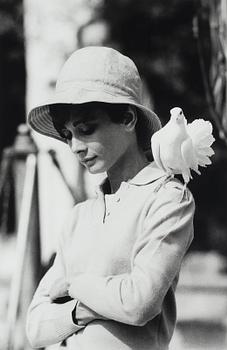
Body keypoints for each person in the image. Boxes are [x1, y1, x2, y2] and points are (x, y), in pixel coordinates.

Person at [26, 46, 195, 350]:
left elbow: (139, 303)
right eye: (67, 135)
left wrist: (73, 285)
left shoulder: (168, 198)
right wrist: (82, 309)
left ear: (128, 118)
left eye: (86, 129)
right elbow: (36, 326)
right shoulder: (79, 216)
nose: (75, 147)